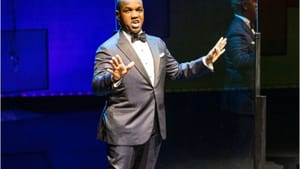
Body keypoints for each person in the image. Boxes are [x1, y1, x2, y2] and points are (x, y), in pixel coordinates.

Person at [92, 0, 227, 168]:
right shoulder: (108, 48)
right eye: (128, 10)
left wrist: (204, 61)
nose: (135, 15)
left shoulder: (157, 44)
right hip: (123, 131)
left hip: (153, 128)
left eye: (139, 10)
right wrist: (113, 78)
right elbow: (97, 87)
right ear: (118, 16)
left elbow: (176, 71)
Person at [220, 0, 257, 168]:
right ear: (245, 5)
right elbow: (240, 61)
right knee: (241, 147)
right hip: (240, 98)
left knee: (247, 143)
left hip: (247, 98)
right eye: (254, 2)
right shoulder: (236, 30)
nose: (257, 5)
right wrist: (261, 51)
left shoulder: (247, 27)